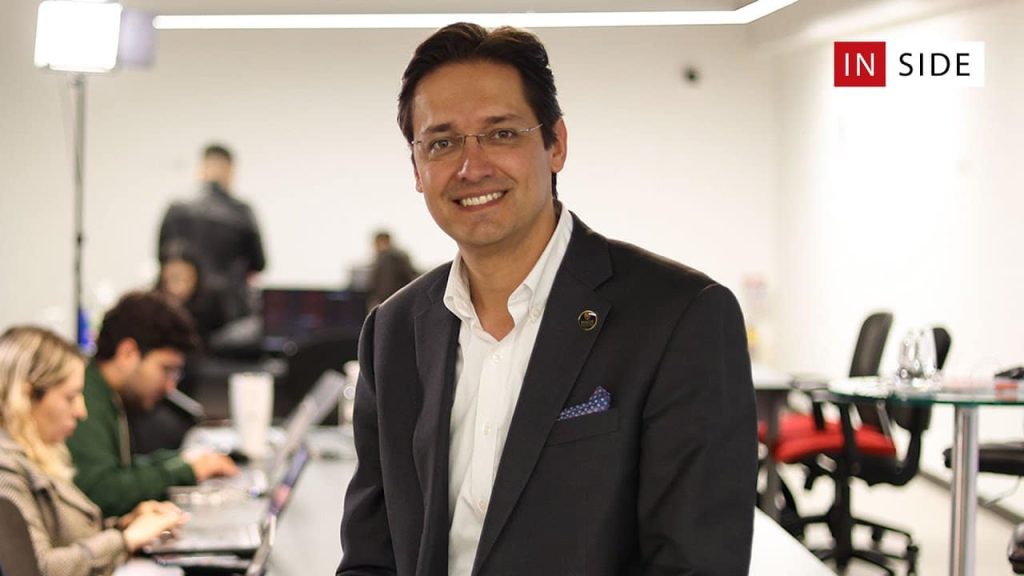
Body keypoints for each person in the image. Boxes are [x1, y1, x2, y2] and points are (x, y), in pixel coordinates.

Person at [338, 22, 757, 576]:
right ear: (417, 168)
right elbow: (372, 557)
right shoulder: (392, 332)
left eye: (501, 133)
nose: (471, 166)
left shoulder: (681, 317)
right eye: (441, 143)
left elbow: (696, 564)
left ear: (556, 144)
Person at [0, 326, 187, 576]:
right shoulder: (5, 470)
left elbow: (62, 537)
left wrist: (124, 526)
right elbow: (37, 569)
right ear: (26, 396)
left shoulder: (35, 456)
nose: (81, 411)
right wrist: (125, 540)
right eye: (70, 397)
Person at [66, 291, 238, 517]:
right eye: (166, 369)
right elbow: (101, 490)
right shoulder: (84, 396)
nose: (170, 386)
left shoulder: (107, 394)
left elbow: (121, 469)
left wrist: (179, 461)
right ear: (128, 353)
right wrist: (187, 471)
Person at [158, 143, 266, 320]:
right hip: (229, 313)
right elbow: (259, 263)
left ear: (201, 169)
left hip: (182, 309)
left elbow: (162, 258)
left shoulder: (176, 210)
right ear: (230, 171)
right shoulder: (242, 213)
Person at [367, 230, 419, 309]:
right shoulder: (399, 256)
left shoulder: (388, 259)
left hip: (390, 301)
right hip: (398, 299)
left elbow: (385, 285)